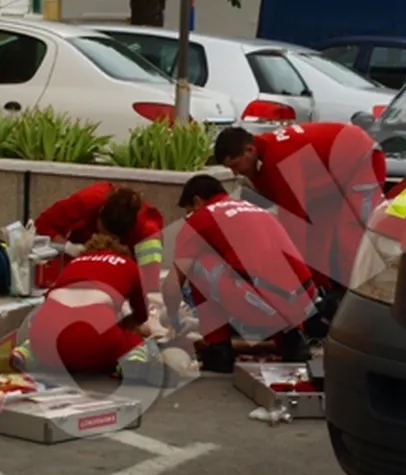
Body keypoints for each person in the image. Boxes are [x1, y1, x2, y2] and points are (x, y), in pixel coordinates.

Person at [211, 123, 387, 296]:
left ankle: (358, 298)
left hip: (363, 160)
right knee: (316, 239)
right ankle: (320, 289)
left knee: (350, 235)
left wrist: (291, 272)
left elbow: (294, 221)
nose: (235, 174)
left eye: (235, 165)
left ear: (249, 150)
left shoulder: (280, 160)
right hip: (330, 174)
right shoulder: (262, 156)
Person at [167, 174, 316, 373]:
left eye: (188, 211)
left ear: (197, 201)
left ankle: (218, 349)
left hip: (262, 306)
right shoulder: (256, 210)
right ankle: (293, 339)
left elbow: (173, 284)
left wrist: (171, 321)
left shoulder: (200, 218)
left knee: (196, 264)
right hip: (305, 301)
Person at [12, 218, 161, 380]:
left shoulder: (74, 263)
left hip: (49, 334)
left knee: (40, 339)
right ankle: (131, 361)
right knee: (132, 341)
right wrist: (130, 325)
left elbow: (49, 297)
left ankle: (27, 353)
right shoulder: (127, 263)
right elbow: (141, 314)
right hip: (93, 337)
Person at [35, 182, 170, 337]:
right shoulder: (88, 200)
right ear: (100, 212)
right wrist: (68, 247)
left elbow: (149, 290)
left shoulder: (148, 235)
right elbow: (43, 225)